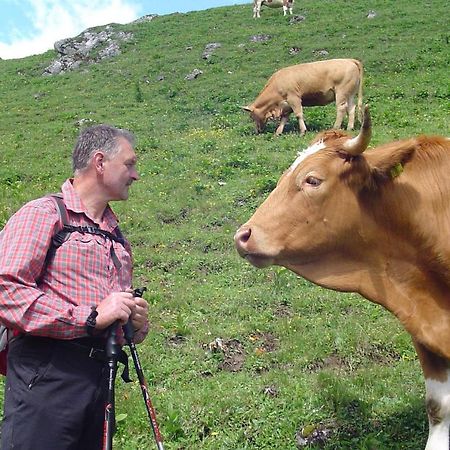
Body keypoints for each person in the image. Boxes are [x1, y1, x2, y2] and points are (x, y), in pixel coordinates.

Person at [0, 124, 149, 449]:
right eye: (129, 164)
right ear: (99, 162)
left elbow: (111, 319)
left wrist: (133, 324)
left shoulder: (117, 237)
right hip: (47, 375)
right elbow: (6, 290)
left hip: (99, 378)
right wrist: (89, 316)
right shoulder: (42, 214)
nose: (135, 174)